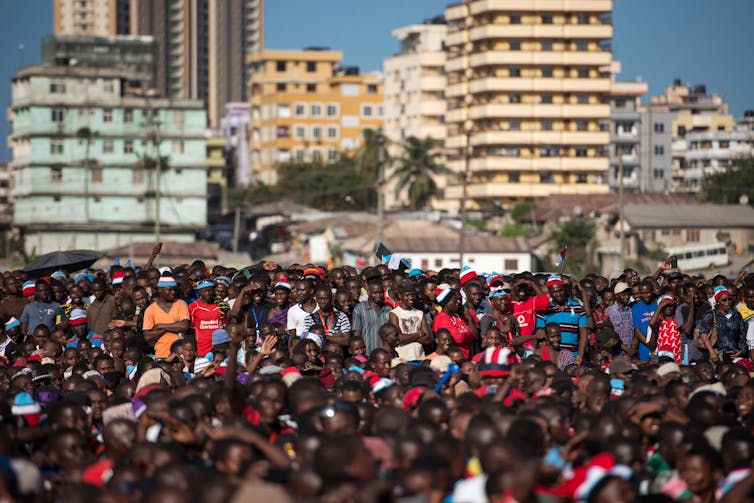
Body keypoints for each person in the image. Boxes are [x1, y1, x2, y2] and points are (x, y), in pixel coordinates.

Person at [536, 276, 588, 364]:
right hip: (552, 358)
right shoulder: (544, 310)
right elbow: (540, 334)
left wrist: (580, 356)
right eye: (555, 292)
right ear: (550, 293)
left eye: (560, 290)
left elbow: (583, 334)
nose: (558, 294)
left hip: (573, 356)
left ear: (565, 289)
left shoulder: (578, 308)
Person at [142, 275, 190, 360]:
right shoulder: (150, 310)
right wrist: (173, 327)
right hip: (162, 354)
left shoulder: (181, 304)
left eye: (174, 289)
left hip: (181, 355)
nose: (173, 292)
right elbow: (147, 336)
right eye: (170, 289)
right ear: (160, 290)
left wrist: (160, 326)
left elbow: (184, 326)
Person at [697, 286, 747, 362]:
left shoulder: (736, 315)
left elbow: (742, 334)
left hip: (734, 354)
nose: (728, 302)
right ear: (718, 302)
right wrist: (712, 352)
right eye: (724, 300)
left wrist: (742, 350)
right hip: (717, 354)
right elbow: (703, 333)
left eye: (729, 299)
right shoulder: (711, 314)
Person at [388, 284, 431, 357]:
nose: (411, 298)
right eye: (407, 295)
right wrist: (418, 334)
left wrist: (407, 338)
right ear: (400, 296)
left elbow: (427, 339)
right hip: (403, 356)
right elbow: (399, 339)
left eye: (412, 295)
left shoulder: (419, 313)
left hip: (419, 356)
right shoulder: (394, 313)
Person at [189, 280, 227, 357]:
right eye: (204, 291)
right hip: (202, 349)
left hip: (220, 347)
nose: (208, 293)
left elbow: (225, 325)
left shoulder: (222, 305)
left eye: (210, 290)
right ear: (199, 292)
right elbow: (191, 328)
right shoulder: (193, 307)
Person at [432, 287, 473, 359]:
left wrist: (463, 332)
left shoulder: (455, 316)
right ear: (446, 302)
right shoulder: (442, 319)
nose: (458, 302)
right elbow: (459, 339)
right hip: (453, 358)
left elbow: (471, 337)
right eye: (455, 300)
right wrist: (465, 331)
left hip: (465, 356)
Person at [352, 280, 391, 354]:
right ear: (369, 293)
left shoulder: (388, 309)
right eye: (375, 293)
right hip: (367, 353)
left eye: (381, 292)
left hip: (384, 353)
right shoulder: (360, 308)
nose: (379, 295)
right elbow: (357, 333)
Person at [631, 281, 658, 361]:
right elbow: (637, 331)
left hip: (661, 345)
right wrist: (652, 347)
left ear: (652, 291)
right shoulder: (636, 308)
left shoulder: (658, 304)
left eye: (647, 293)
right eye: (642, 293)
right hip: (645, 347)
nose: (645, 296)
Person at [605, 282, 634, 355]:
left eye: (628, 294)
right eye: (623, 295)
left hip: (631, 351)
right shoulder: (609, 311)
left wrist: (631, 350)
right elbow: (610, 335)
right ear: (616, 296)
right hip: (617, 352)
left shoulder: (631, 310)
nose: (627, 297)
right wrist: (627, 349)